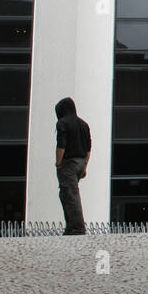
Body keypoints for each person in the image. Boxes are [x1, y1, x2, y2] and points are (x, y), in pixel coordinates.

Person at [54, 97, 91, 236]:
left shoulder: (62, 123)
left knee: (70, 194)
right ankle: (70, 226)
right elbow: (88, 148)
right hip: (81, 162)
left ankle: (77, 227)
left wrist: (58, 163)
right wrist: (85, 166)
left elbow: (61, 144)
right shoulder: (84, 124)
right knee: (66, 193)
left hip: (68, 163)